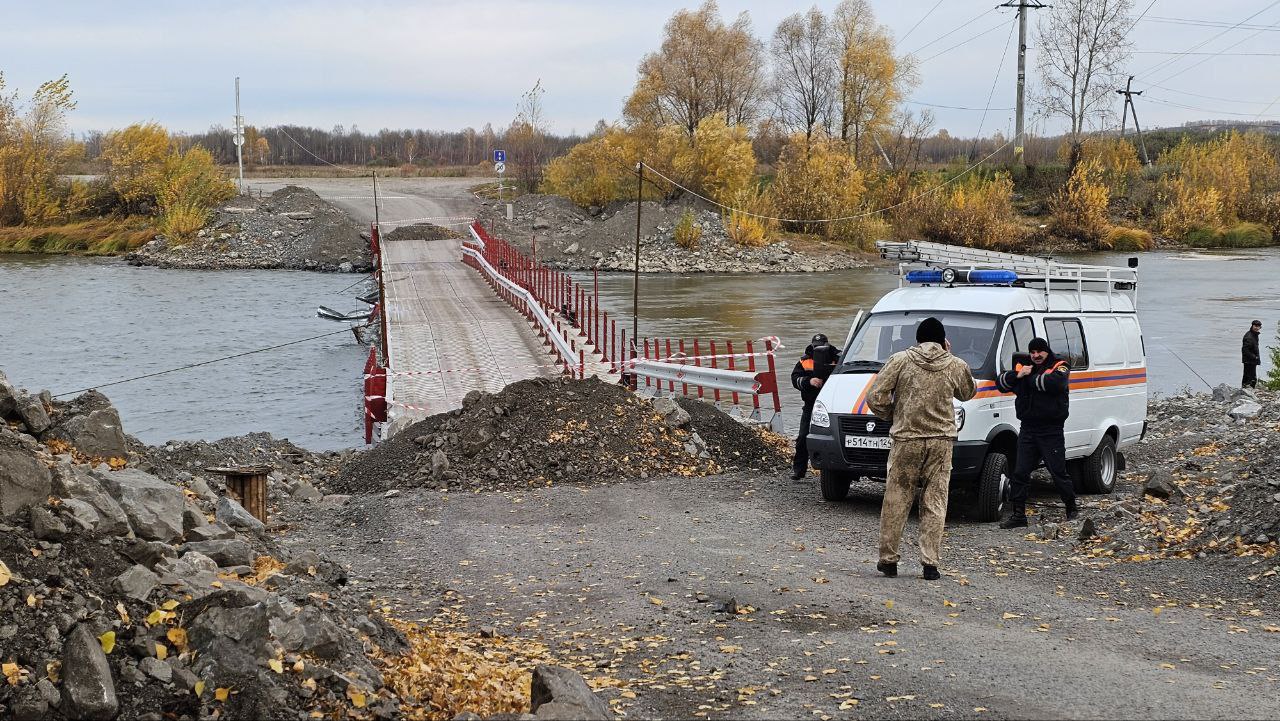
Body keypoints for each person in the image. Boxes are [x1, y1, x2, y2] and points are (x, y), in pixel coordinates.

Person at [866, 317, 976, 581]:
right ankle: (930, 564)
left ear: (917, 339)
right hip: (941, 442)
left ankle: (889, 560)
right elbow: (968, 392)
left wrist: (894, 414)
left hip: (907, 440)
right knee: (935, 502)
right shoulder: (954, 364)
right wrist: (950, 355)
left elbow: (875, 397)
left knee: (897, 498)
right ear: (942, 341)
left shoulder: (900, 360)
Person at [997, 337, 1078, 529]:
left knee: (1058, 472)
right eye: (1032, 352)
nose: (1036, 356)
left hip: (1051, 430)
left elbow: (1054, 383)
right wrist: (1018, 375)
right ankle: (1018, 516)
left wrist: (1026, 377)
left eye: (1039, 352)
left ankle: (1071, 509)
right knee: (1020, 472)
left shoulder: (1060, 364)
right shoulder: (1024, 367)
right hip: (1028, 429)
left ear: (1046, 351)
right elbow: (1000, 383)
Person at [791, 333, 839, 481]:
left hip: (833, 405)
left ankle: (835, 470)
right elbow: (795, 379)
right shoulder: (805, 361)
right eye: (815, 347)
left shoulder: (838, 358)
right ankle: (799, 470)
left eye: (821, 347)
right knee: (802, 437)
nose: (818, 350)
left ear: (827, 345)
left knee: (834, 438)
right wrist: (809, 381)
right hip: (811, 404)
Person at [1243, 320, 1262, 389]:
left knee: (1248, 377)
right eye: (1255, 326)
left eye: (1258, 326)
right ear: (1252, 326)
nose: (1256, 328)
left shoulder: (1254, 335)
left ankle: (1245, 391)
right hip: (1249, 360)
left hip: (1251, 360)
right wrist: (1255, 357)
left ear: (1260, 327)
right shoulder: (1249, 337)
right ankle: (1246, 392)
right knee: (1251, 378)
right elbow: (1245, 350)